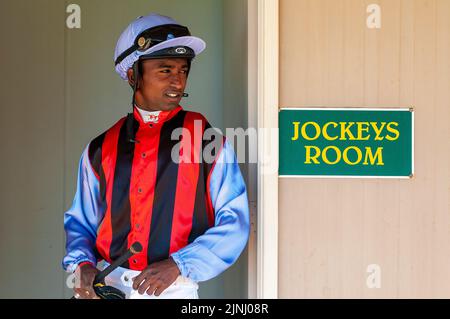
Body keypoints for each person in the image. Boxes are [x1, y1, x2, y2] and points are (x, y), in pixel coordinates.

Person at [62, 13, 250, 299]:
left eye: (183, 70)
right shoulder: (99, 149)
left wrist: (179, 263)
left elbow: (235, 223)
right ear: (132, 74)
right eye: (165, 70)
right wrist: (82, 265)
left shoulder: (207, 141)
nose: (178, 81)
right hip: (106, 286)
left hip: (174, 289)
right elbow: (81, 223)